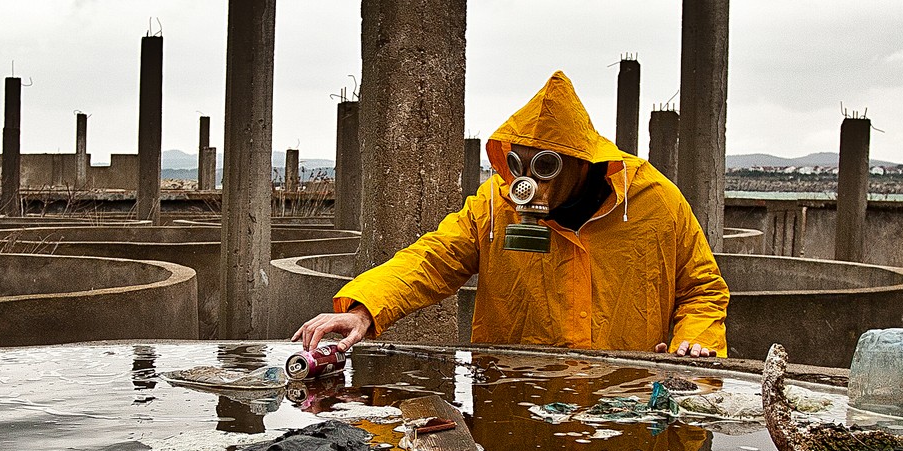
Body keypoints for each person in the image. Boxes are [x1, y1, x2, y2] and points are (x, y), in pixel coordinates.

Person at [293, 70, 729, 356]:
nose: (528, 183)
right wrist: (364, 310)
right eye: (518, 165)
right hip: (517, 402)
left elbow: (702, 290)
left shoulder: (656, 201)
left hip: (622, 403)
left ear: (582, 160)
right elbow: (432, 258)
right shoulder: (497, 204)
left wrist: (693, 343)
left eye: (545, 166)